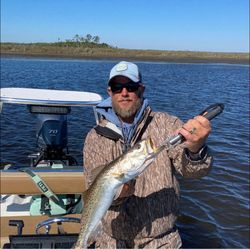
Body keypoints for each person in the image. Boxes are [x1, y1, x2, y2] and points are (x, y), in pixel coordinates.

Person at [83, 61, 212, 248]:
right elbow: (92, 187)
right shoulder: (95, 137)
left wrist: (196, 149)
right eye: (118, 87)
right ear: (110, 92)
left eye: (131, 87)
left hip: (161, 241)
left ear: (141, 89)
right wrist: (120, 194)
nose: (124, 93)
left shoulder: (167, 124)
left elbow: (194, 172)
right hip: (110, 241)